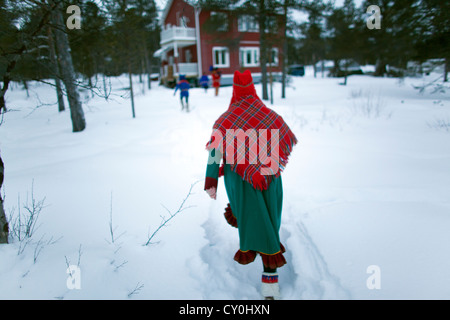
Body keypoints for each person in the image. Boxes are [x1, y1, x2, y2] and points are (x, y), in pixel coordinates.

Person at [204, 70, 298, 300]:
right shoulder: (271, 116)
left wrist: (211, 181)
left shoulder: (225, 120)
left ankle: (268, 285)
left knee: (252, 221)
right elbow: (285, 140)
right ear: (253, 90)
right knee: (269, 226)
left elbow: (215, 156)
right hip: (269, 178)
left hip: (241, 182)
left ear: (234, 90)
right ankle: (270, 289)